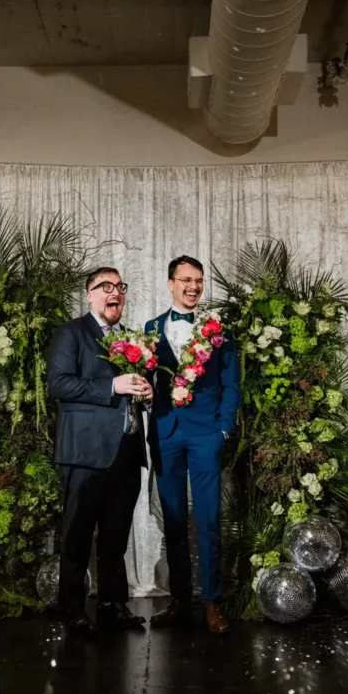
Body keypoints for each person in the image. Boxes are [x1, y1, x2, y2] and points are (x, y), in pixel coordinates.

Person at [47, 267, 152, 636]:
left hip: (126, 451)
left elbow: (134, 390)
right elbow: (58, 384)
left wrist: (146, 392)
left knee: (115, 536)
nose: (115, 293)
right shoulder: (72, 333)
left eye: (120, 287)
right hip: (85, 452)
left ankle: (112, 603)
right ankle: (73, 609)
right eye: (106, 287)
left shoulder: (131, 339)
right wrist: (114, 385)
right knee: (77, 537)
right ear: (89, 294)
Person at [144, 256, 240, 634]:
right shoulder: (151, 328)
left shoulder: (219, 330)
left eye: (198, 280)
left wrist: (223, 430)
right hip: (166, 431)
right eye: (186, 279)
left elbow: (232, 383)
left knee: (209, 519)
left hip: (205, 435)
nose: (193, 286)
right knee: (173, 520)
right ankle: (180, 599)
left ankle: (211, 603)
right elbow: (142, 377)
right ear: (170, 284)